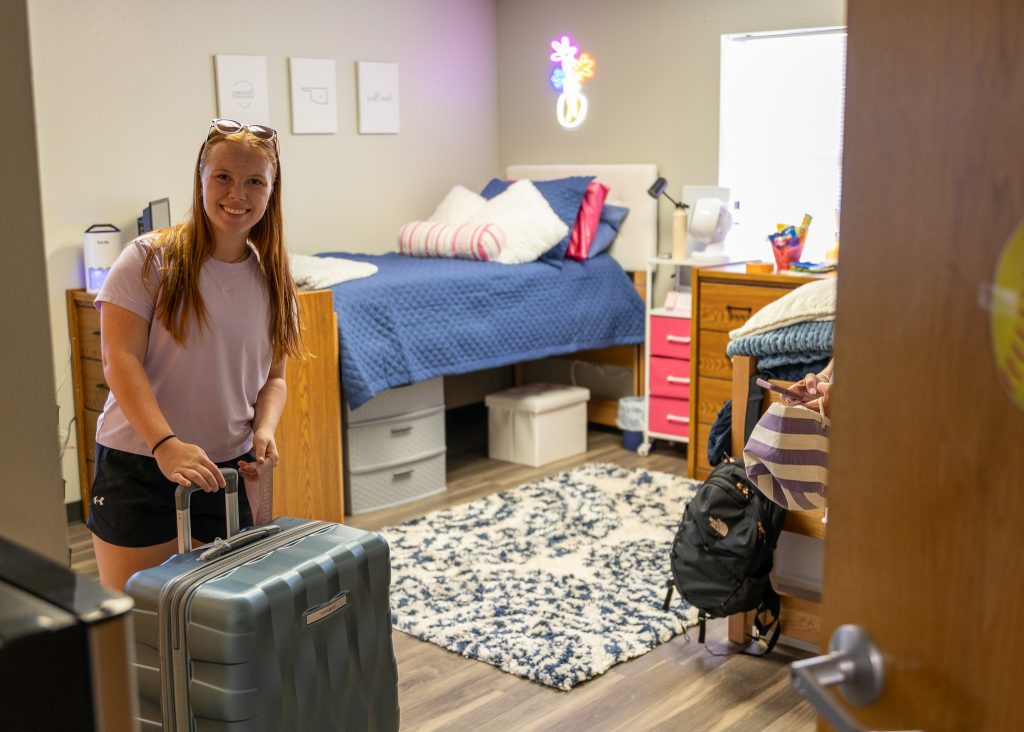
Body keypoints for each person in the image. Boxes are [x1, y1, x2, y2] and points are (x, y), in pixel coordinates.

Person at [87, 119, 305, 591]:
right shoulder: (148, 260)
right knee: (139, 630)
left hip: (224, 472)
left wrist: (264, 432)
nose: (237, 194)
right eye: (223, 177)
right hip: (141, 464)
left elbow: (275, 378)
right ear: (200, 179)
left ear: (271, 192)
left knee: (218, 631)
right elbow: (119, 360)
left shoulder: (274, 280)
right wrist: (165, 445)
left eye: (254, 182)